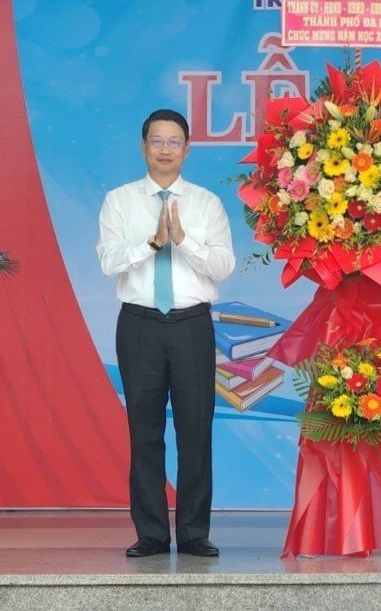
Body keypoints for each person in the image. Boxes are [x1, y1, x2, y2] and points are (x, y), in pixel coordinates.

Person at [97, 109, 235, 558]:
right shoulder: (120, 201)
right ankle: (152, 533)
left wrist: (183, 241)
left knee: (196, 430)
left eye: (174, 142)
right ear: (143, 147)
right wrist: (153, 243)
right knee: (145, 430)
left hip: (192, 325)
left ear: (187, 149)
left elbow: (223, 267)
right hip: (139, 325)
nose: (165, 150)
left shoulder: (205, 203)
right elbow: (109, 262)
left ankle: (194, 532)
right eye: (156, 141)